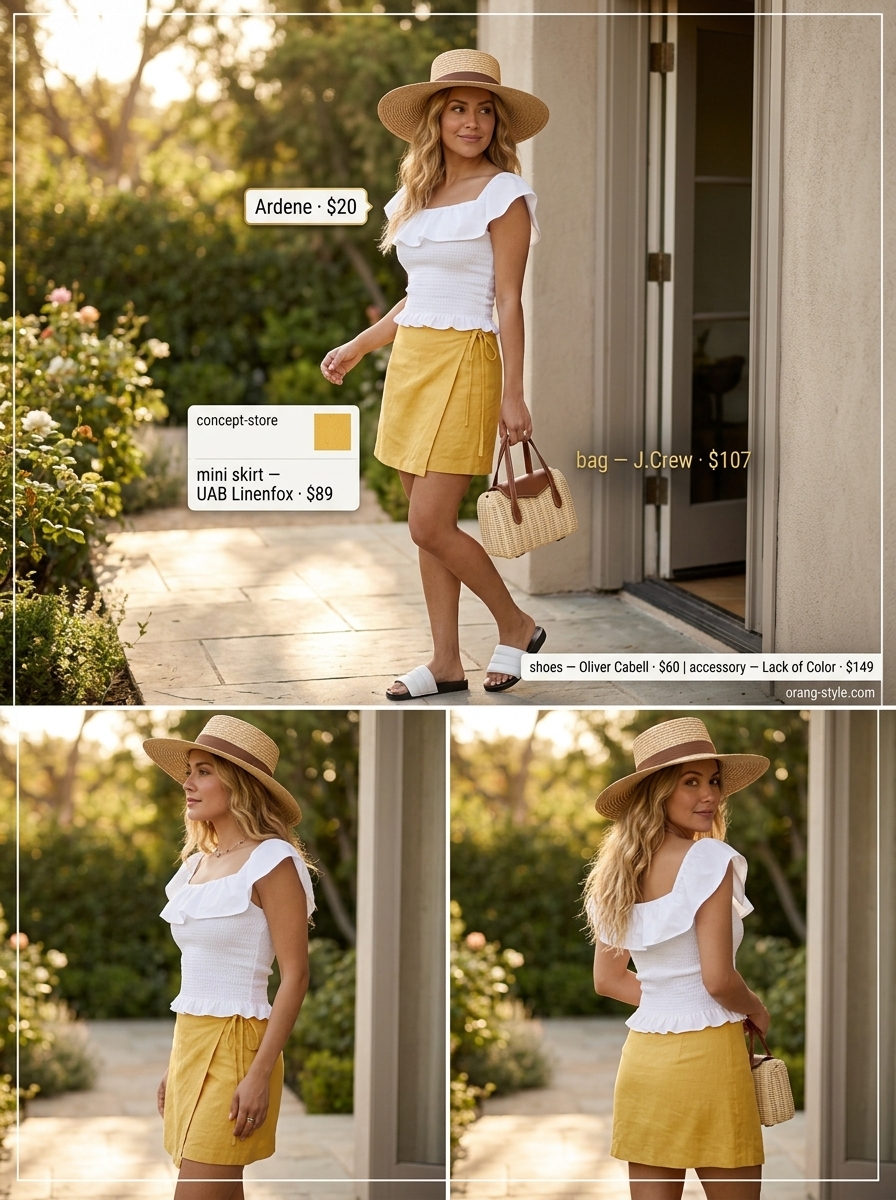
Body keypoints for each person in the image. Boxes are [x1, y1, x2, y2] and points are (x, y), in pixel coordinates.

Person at [320, 49, 550, 698]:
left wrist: (514, 394)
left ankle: (516, 623)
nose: (472, 122)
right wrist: (360, 345)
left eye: (484, 111)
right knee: (428, 529)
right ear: (436, 119)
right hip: (412, 364)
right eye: (457, 109)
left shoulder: (505, 195)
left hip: (466, 362)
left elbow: (509, 301)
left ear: (497, 123)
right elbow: (417, 296)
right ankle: (446, 661)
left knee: (429, 524)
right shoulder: (414, 197)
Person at [583, 717, 772, 1200]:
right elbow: (718, 980)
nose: (709, 795)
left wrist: (670, 1001)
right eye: (691, 782)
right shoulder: (708, 858)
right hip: (711, 1061)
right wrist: (755, 1008)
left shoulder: (615, 874)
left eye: (713, 781)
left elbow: (608, 980)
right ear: (657, 792)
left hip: (644, 1062)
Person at [145, 715, 315, 1200]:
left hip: (240, 1045)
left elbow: (296, 976)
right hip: (191, 1041)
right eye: (189, 771)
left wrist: (259, 1073)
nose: (188, 783)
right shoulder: (196, 865)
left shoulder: (273, 861)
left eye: (204, 772)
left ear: (239, 784)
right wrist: (176, 1063)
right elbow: (200, 979)